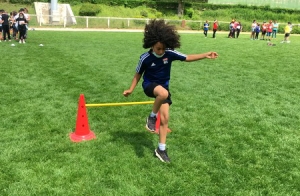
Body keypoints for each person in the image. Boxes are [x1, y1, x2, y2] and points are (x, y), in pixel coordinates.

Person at [123, 19, 218, 163]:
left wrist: (205, 55)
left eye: (163, 48)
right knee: (163, 93)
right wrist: (130, 89)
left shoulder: (169, 53)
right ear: (152, 45)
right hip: (149, 86)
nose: (161, 51)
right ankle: (152, 117)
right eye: (158, 48)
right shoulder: (145, 58)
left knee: (166, 118)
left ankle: (161, 149)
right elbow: (138, 74)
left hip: (163, 88)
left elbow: (187, 57)